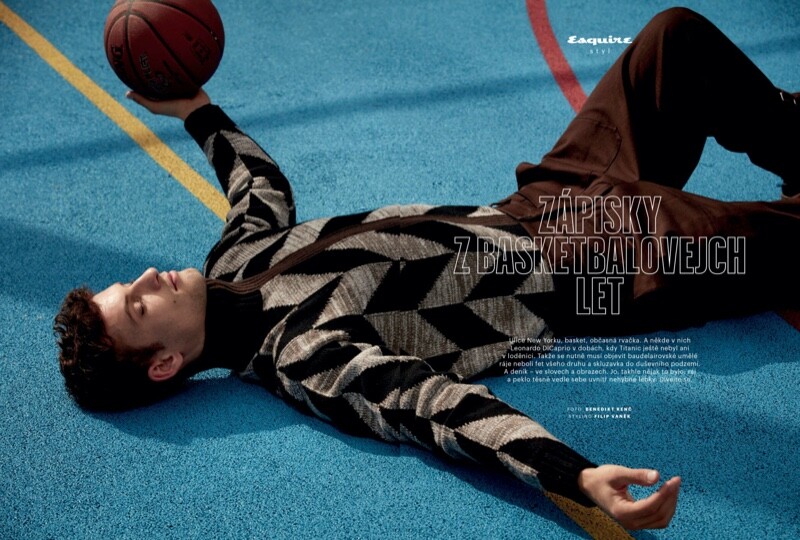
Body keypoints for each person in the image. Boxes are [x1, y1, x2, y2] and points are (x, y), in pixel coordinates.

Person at [53, 7, 800, 531]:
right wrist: (576, 475)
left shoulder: (235, 259)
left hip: (542, 197)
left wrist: (197, 110)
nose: (147, 277)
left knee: (672, 41)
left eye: (130, 284)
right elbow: (439, 410)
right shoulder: (303, 357)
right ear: (165, 364)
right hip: (591, 265)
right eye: (139, 306)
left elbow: (260, 188)